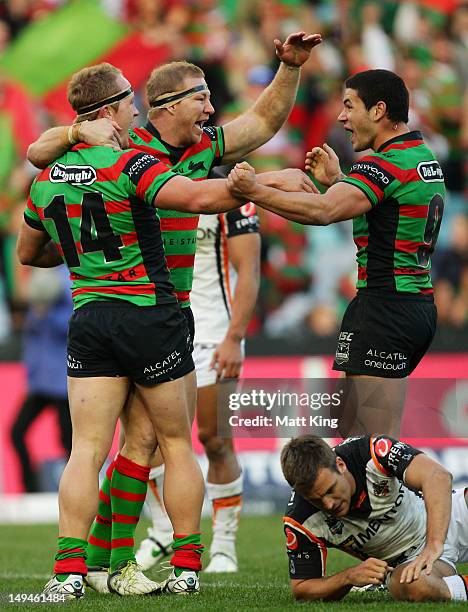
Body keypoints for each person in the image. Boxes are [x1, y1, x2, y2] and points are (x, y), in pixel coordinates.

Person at [24, 34, 320, 597]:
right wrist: (263, 186)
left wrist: (289, 68)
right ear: (161, 106)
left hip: (115, 312)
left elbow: (261, 124)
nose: (212, 108)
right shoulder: (131, 152)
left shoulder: (191, 144)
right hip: (155, 310)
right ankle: (174, 562)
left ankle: (94, 567)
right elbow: (196, 197)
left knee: (124, 447)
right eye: (201, 98)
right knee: (168, 442)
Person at [227, 69, 446, 438]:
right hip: (406, 304)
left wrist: (252, 190)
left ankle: (438, 494)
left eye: (349, 106)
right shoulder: (420, 157)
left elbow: (323, 212)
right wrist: (342, 183)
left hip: (385, 309)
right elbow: (382, 212)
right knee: (353, 436)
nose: (341, 117)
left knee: (376, 449)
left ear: (378, 110)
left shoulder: (384, 164)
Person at [137, 188, 260, 574]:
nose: (200, 123)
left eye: (206, 121)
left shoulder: (231, 191)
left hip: (213, 332)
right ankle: (161, 532)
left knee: (215, 439)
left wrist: (235, 338)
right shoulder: (150, 178)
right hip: (159, 326)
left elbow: (249, 270)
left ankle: (224, 546)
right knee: (147, 439)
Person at [281, 434, 468, 602]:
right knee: (412, 586)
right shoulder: (300, 520)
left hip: (448, 515)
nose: (329, 504)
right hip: (411, 562)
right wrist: (348, 577)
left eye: (330, 489)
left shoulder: (372, 451)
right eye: (316, 500)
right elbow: (302, 589)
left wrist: (434, 544)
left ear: (340, 465)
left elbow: (438, 476)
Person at [11, 266, 72, 492]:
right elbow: (31, 330)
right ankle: (30, 490)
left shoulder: (69, 276)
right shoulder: (42, 274)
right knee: (16, 433)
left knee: (69, 442)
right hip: (41, 383)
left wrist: (47, 312)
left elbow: (73, 324)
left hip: (63, 382)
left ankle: (74, 491)